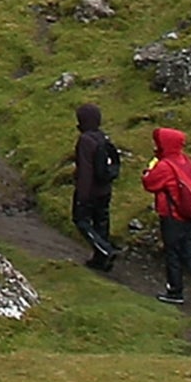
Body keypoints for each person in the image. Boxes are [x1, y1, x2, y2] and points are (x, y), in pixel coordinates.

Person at [141, 125, 191, 305]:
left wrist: (149, 170)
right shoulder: (184, 160)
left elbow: (149, 183)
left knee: (173, 253)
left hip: (173, 216)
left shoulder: (165, 166)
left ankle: (175, 292)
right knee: (188, 252)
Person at [70, 102, 118, 270]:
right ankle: (100, 260)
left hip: (90, 191)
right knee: (101, 222)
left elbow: (85, 170)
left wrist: (81, 196)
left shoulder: (85, 140)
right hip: (105, 189)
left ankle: (105, 250)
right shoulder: (102, 137)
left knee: (81, 220)